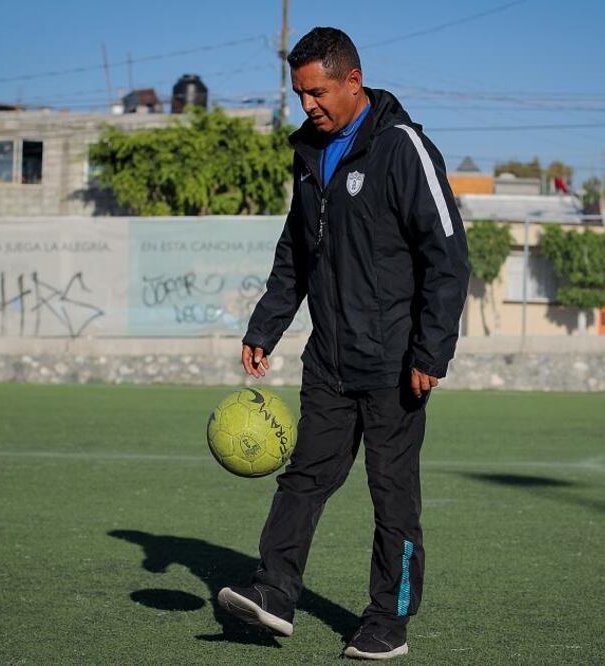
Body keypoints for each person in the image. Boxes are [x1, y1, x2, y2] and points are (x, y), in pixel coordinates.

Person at [218, 26, 469, 660]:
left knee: (393, 496)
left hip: (394, 365)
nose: (309, 106)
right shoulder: (310, 156)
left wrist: (430, 352)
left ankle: (388, 621)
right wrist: (264, 327)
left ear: (352, 81)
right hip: (327, 360)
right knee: (303, 478)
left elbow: (447, 253)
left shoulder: (401, 147)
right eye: (300, 94)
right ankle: (273, 594)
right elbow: (295, 254)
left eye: (318, 92)